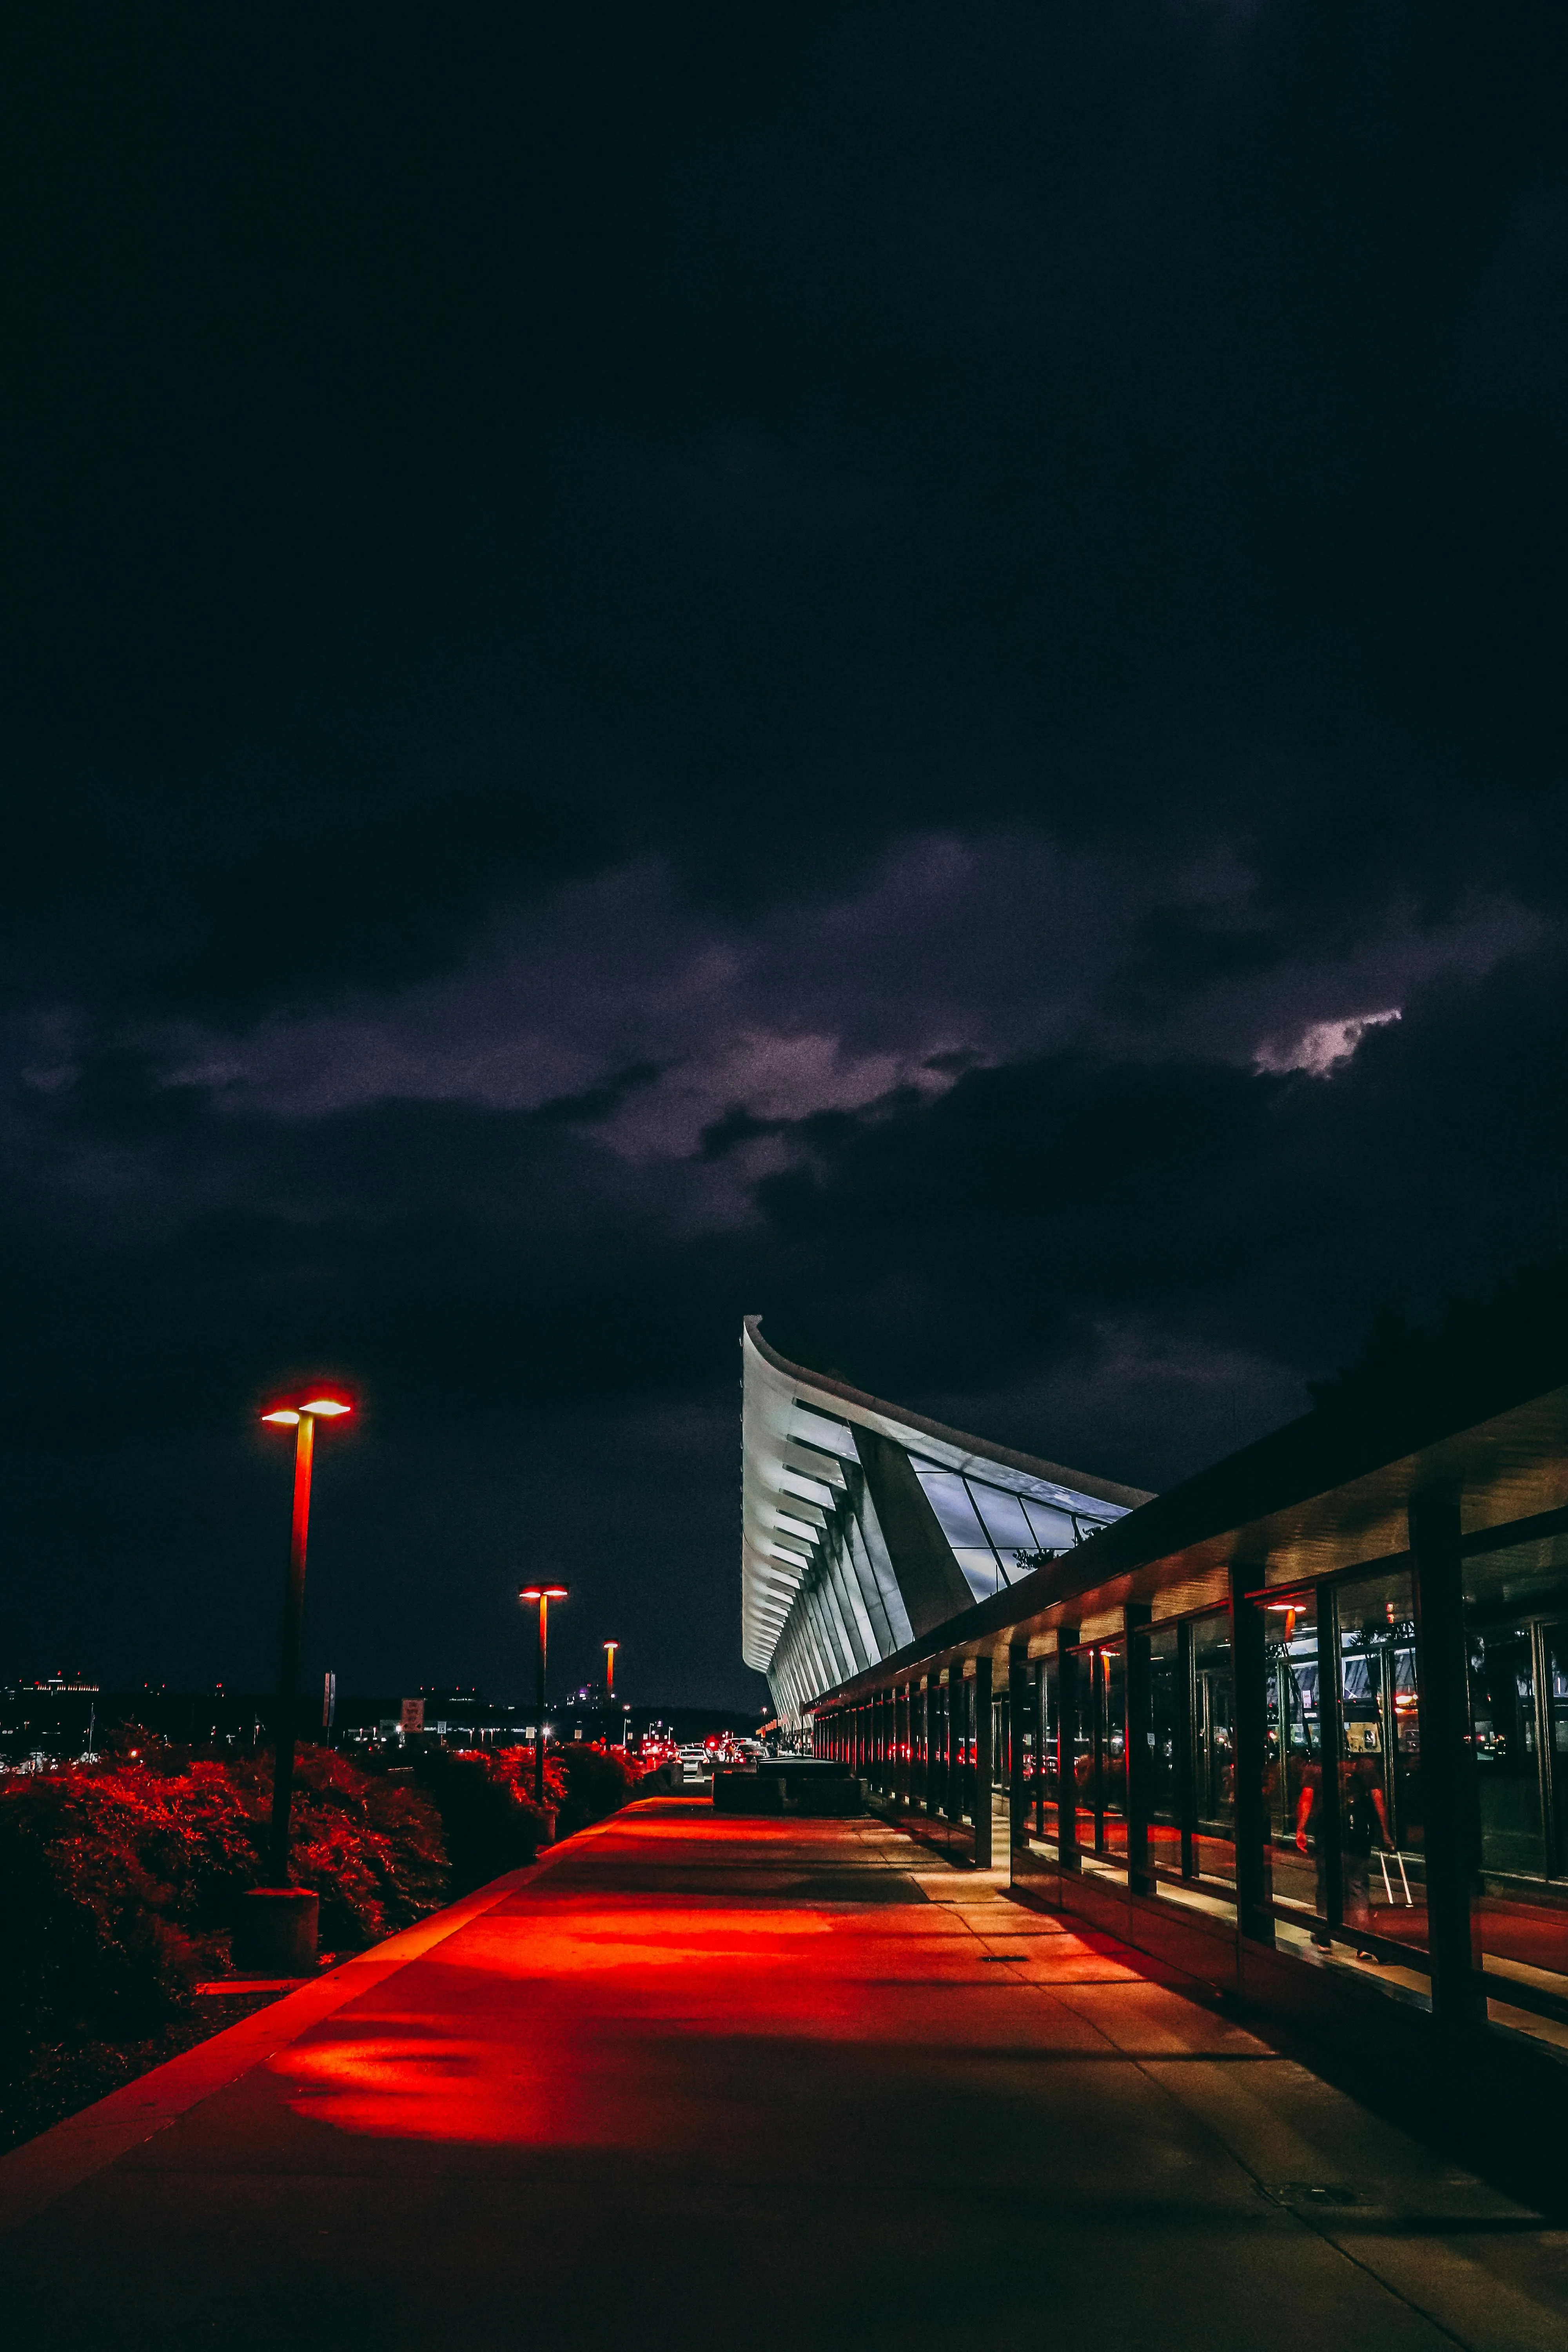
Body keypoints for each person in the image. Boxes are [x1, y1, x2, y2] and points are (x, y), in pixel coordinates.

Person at [1296, 1752, 1392, 1960]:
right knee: (1357, 1886)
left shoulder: (1317, 1766)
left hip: (1327, 1833)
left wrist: (1301, 1829)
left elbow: (1307, 1798)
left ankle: (1324, 1935)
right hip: (1358, 1834)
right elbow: (1378, 1798)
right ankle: (1362, 1941)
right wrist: (1385, 1832)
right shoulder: (1364, 1766)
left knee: (1326, 1884)